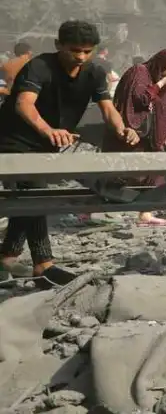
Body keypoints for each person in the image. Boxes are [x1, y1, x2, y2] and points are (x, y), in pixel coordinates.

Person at [0, 20, 140, 287]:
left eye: (87, 51)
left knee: (27, 197)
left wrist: (123, 129)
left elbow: (108, 109)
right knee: (35, 194)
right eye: (75, 50)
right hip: (15, 139)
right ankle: (43, 265)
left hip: (48, 141)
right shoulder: (40, 66)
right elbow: (24, 104)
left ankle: (6, 256)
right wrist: (49, 130)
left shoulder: (94, 73)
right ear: (58, 45)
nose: (81, 56)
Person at [102, 48, 166, 227]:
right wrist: (161, 83)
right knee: (119, 173)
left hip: (151, 134)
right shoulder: (140, 72)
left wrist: (165, 134)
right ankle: (90, 209)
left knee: (155, 173)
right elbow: (139, 100)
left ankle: (145, 213)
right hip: (131, 130)